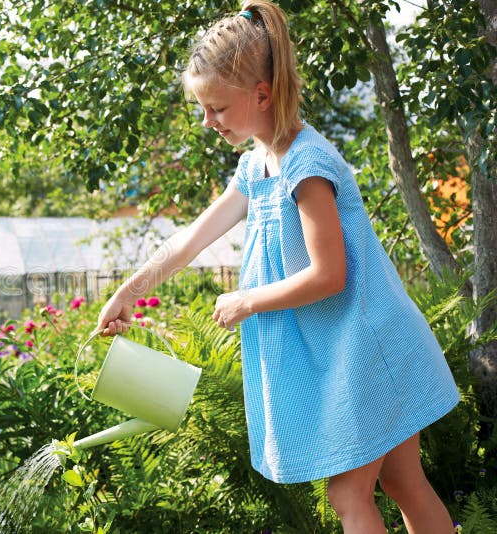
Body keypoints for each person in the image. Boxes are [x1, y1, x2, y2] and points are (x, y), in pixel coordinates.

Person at [94, 1, 460, 533]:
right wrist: (128, 290)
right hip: (356, 345)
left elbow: (328, 275)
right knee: (403, 481)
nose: (208, 122)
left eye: (216, 108)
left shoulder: (307, 166)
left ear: (261, 95)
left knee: (348, 495)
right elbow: (191, 238)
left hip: (369, 342)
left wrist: (246, 302)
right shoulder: (256, 165)